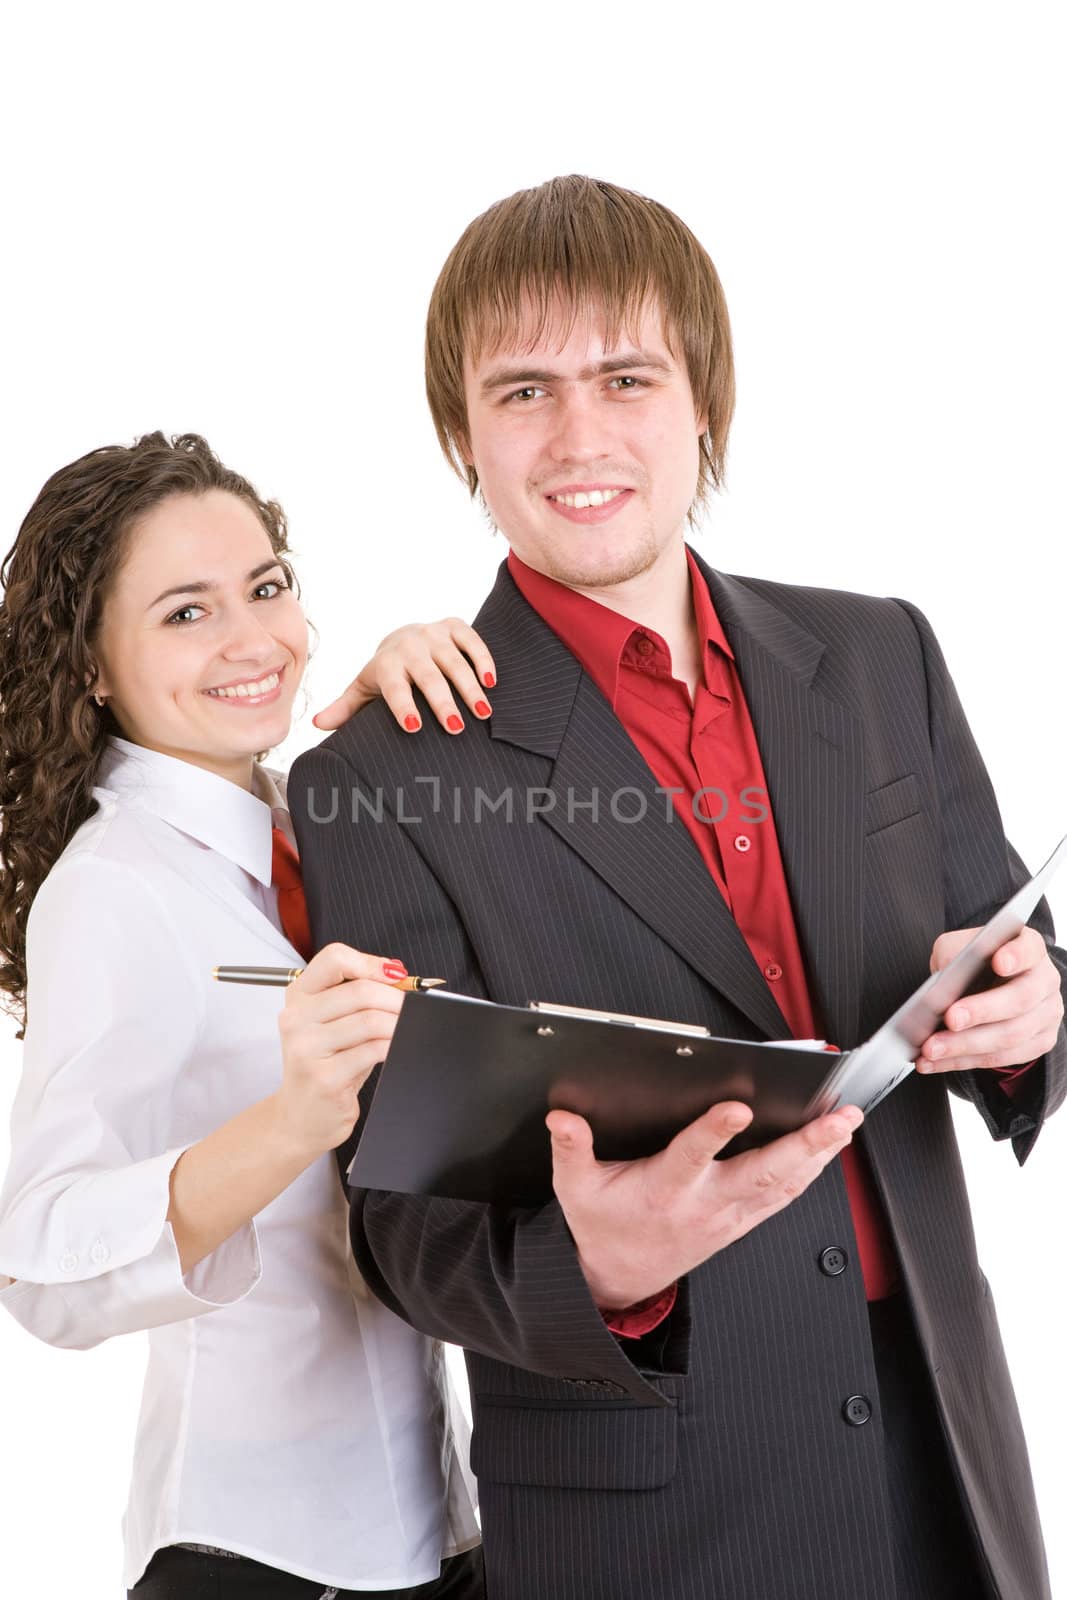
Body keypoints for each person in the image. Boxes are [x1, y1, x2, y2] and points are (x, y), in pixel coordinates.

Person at [288, 176, 1067, 1600]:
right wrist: (595, 1263)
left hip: (942, 1469)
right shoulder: (380, 777)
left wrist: (1032, 1019)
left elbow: (1011, 959)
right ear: (460, 432)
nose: (578, 435)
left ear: (700, 400)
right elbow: (401, 1230)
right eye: (521, 390)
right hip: (655, 1526)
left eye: (624, 377)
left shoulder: (879, 654)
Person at [0, 431, 496, 1598]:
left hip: (442, 1525)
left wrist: (426, 703)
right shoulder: (111, 889)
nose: (250, 640)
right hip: (259, 1549)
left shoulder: (318, 820)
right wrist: (295, 1117)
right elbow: (43, 1261)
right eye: (185, 612)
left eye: (265, 587)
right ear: (91, 666)